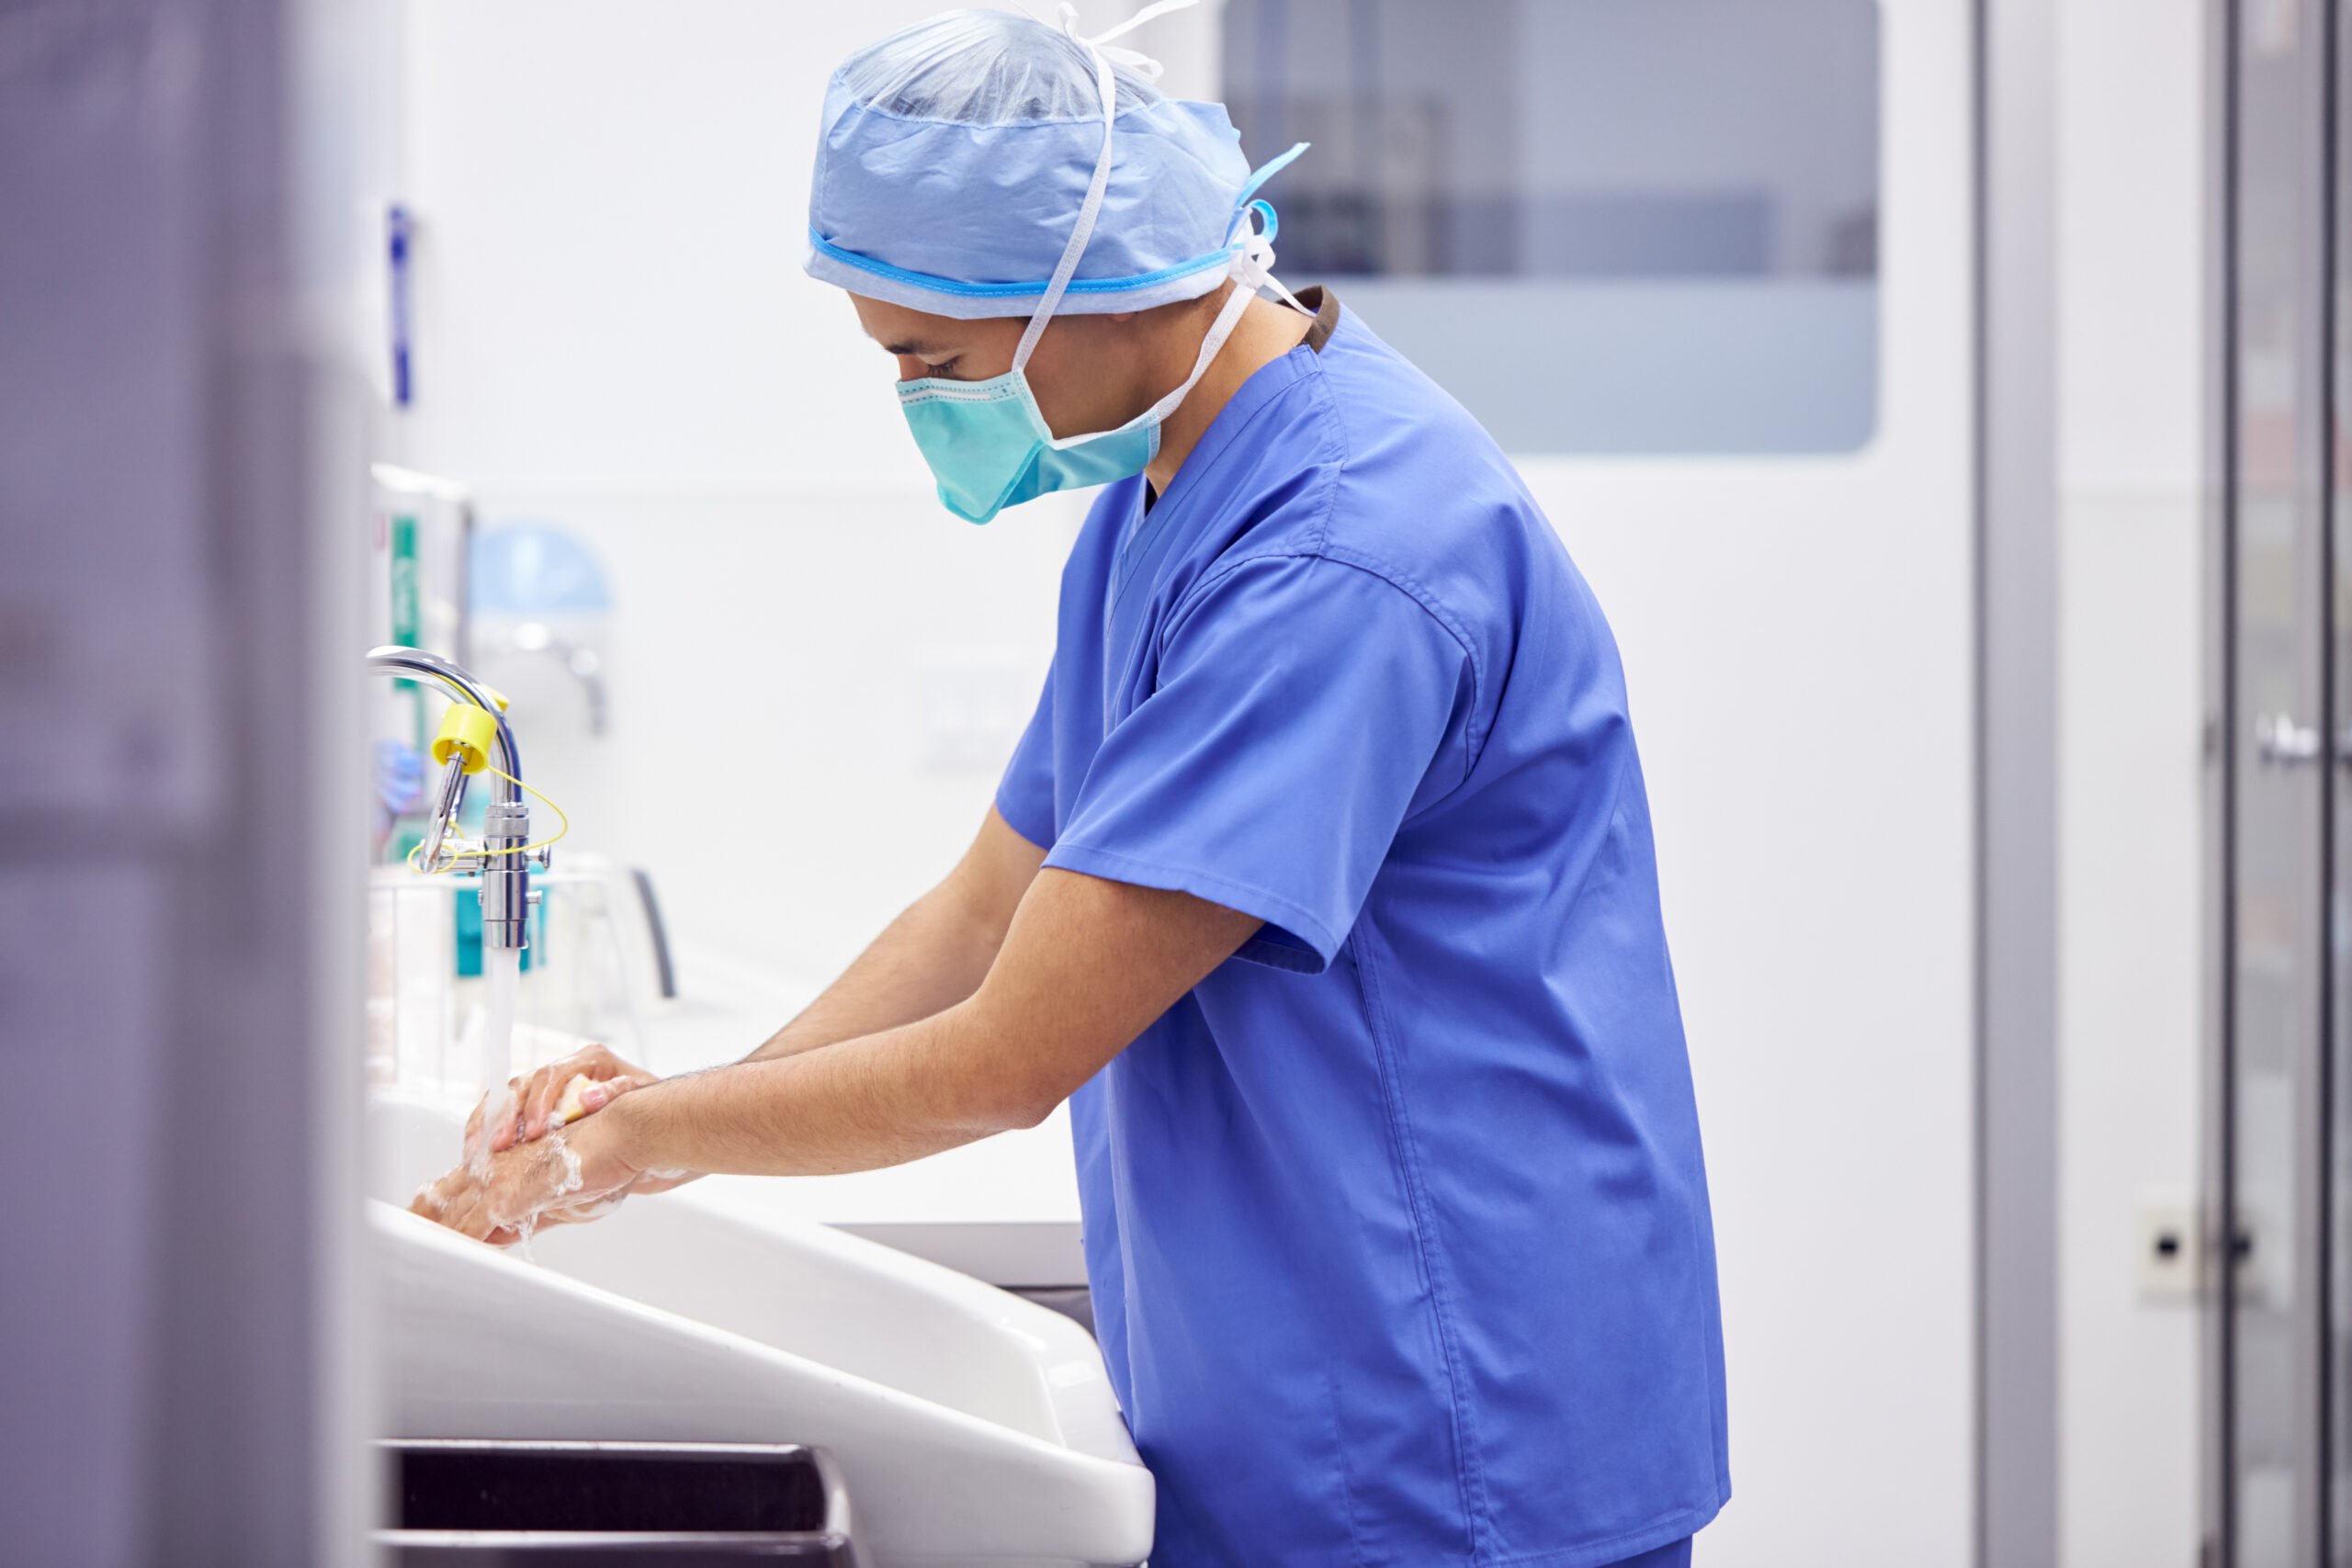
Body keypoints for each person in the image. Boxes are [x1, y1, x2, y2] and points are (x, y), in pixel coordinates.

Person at [412, 7, 1729, 1564]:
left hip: (1452, 1405)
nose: (915, 404)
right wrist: (674, 1113)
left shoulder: (1339, 560)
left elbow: (1005, 1056)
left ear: (1097, 294)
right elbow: (984, 911)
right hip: (1306, 1382)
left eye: (936, 359)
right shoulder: (1165, 486)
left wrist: (630, 1147)